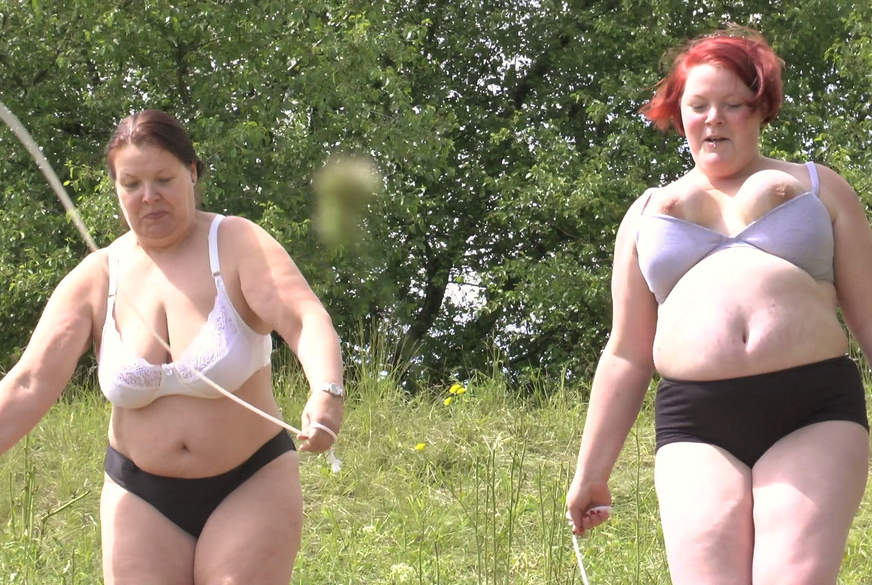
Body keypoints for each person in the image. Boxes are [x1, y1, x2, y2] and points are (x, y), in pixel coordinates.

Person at [566, 28, 871, 585]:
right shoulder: (645, 214)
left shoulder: (820, 187)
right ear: (677, 113)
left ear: (762, 109)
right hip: (695, 422)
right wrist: (591, 472)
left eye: (733, 105)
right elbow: (627, 353)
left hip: (813, 409)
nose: (714, 119)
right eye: (698, 105)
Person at [0, 109, 345, 583]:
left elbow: (305, 319)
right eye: (131, 184)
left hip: (250, 481)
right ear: (115, 188)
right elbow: (29, 383)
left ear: (192, 173)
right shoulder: (98, 276)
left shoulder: (237, 243)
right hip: (139, 492)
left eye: (163, 179)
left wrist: (327, 391)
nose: (149, 196)